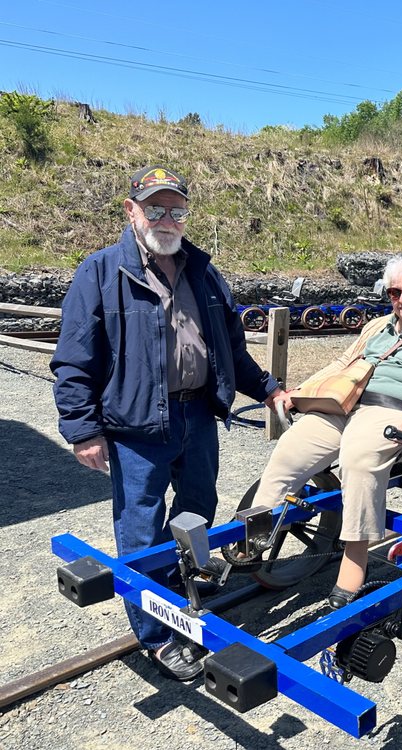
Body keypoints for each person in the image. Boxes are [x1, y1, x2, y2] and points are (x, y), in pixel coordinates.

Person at [51, 165, 287, 681]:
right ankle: (157, 638)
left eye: (176, 210)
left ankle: (183, 587)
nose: (166, 219)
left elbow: (229, 351)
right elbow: (73, 361)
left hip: (197, 415)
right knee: (140, 530)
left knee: (199, 508)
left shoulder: (203, 273)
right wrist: (82, 428)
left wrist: (267, 387)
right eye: (154, 208)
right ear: (131, 211)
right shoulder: (99, 272)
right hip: (135, 428)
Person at [258, 253, 402, 608]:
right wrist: (301, 392)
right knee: (291, 446)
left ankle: (355, 556)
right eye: (394, 292)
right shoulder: (377, 327)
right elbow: (341, 364)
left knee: (358, 458)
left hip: (395, 411)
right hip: (347, 404)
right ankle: (256, 531)